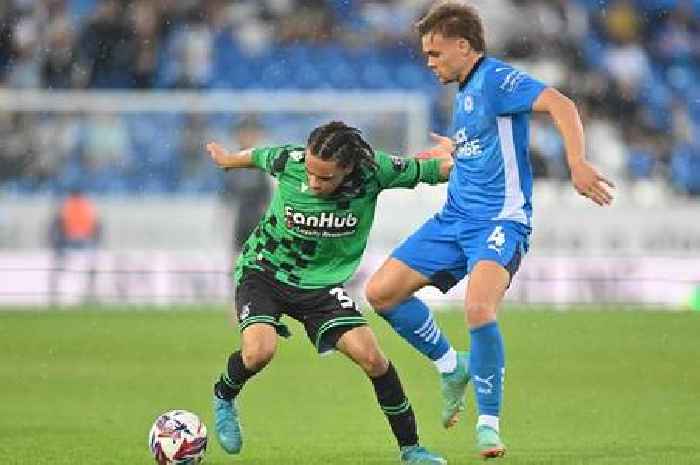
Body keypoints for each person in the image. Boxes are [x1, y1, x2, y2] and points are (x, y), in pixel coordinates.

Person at [364, 2, 615, 459]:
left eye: (435, 53)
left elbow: (560, 103)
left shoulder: (497, 79)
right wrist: (455, 152)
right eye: (426, 54)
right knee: (381, 293)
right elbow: (483, 149)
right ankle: (450, 365)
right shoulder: (463, 94)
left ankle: (488, 425)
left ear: (463, 46)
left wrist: (576, 161)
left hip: (500, 221)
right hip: (454, 218)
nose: (429, 62)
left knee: (478, 308)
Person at [205, 121, 454, 465]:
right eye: (310, 172)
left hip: (321, 286)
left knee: (373, 358)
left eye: (324, 178)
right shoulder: (289, 161)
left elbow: (432, 170)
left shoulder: (374, 172)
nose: (313, 182)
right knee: (259, 352)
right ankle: (224, 395)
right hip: (265, 270)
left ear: (348, 169)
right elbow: (257, 156)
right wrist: (228, 159)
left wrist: (459, 155)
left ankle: (411, 449)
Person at [220, 116, 272, 256]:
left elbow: (271, 193)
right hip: (239, 219)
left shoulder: (267, 160)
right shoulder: (232, 162)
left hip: (260, 218)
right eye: (244, 133)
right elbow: (227, 195)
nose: (248, 137)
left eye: (252, 133)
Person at [48, 186, 102, 305]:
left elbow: (56, 226)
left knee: (60, 269)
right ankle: (89, 293)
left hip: (70, 243)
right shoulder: (87, 206)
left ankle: (54, 294)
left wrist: (56, 242)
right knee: (90, 269)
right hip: (82, 243)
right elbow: (97, 227)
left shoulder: (66, 206)